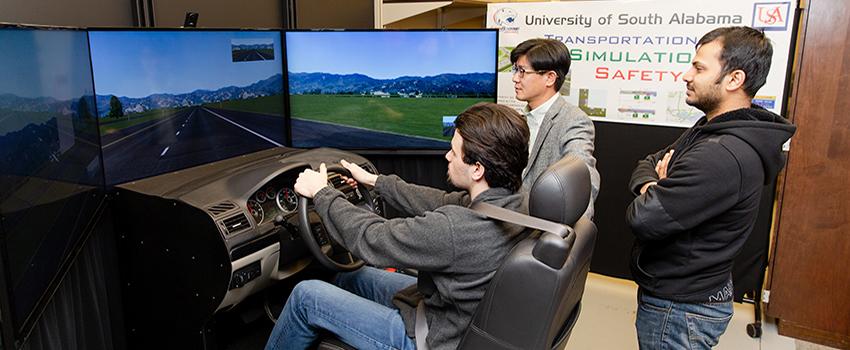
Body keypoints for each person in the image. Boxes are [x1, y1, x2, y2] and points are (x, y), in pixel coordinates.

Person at [265, 102, 531, 350]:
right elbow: (440, 200)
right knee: (351, 277)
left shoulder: (455, 229)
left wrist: (322, 193)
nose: (447, 156)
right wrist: (376, 181)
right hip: (455, 316)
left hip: (434, 338)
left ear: (477, 169)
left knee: (305, 296)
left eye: (454, 151)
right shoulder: (515, 201)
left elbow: (372, 238)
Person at [626, 26, 796, 349]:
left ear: (734, 79)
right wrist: (656, 184)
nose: (685, 75)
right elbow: (648, 162)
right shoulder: (713, 128)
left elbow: (642, 218)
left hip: (679, 310)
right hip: (691, 295)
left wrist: (657, 189)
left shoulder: (721, 154)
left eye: (699, 68)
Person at [510, 38, 600, 218]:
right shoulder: (518, 120)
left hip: (540, 227)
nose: (515, 78)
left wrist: (567, 233)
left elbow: (582, 175)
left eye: (522, 71)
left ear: (550, 78)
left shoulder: (573, 121)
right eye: (515, 70)